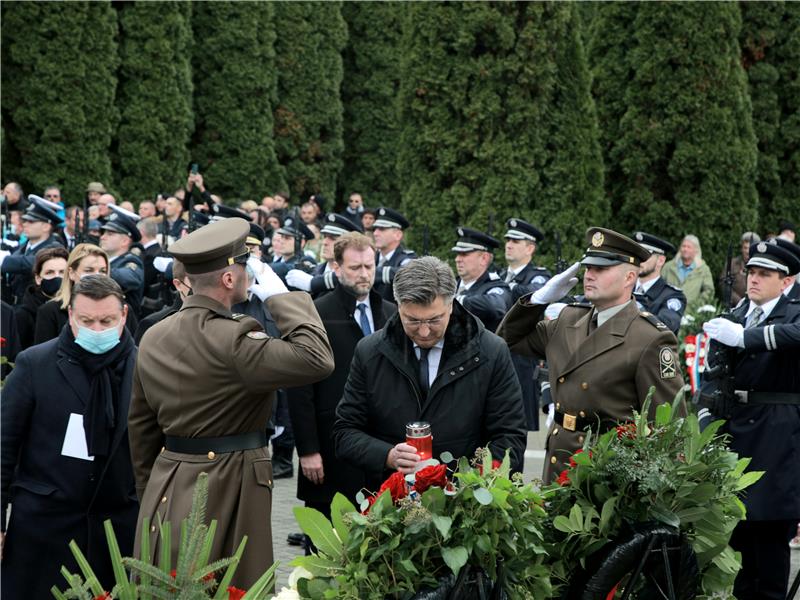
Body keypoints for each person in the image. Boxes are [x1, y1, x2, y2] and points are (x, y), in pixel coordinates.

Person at [128, 217, 334, 589]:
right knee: (236, 586)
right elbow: (317, 358)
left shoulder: (154, 335)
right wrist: (279, 297)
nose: (249, 276)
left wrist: (151, 493)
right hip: (232, 482)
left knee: (172, 586)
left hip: (167, 481)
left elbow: (141, 429)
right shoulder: (238, 336)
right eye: (244, 267)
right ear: (227, 279)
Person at [497, 228, 685, 483]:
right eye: (588, 268)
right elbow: (507, 340)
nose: (589, 275)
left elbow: (668, 426)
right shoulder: (568, 320)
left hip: (606, 475)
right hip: (558, 462)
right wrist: (538, 300)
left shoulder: (649, 337)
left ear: (630, 277)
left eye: (601, 269)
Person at [334, 256, 527, 491]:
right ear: (398, 305)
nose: (424, 332)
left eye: (435, 320)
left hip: (467, 506)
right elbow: (345, 432)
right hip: (391, 501)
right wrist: (388, 455)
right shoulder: (370, 352)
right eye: (412, 321)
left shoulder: (490, 352)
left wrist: (470, 488)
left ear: (451, 304)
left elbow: (509, 437)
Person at [2, 275, 139, 599]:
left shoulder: (145, 367)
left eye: (106, 321)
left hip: (116, 531)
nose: (96, 330)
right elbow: (4, 446)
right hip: (45, 529)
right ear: (70, 316)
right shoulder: (35, 364)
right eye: (86, 321)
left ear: (124, 315)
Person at [701, 240, 800, 600]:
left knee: (771, 540)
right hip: (737, 433)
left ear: (786, 282)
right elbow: (713, 376)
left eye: (765, 274)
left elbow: (795, 336)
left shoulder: (794, 312)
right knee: (740, 541)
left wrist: (746, 337)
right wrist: (705, 422)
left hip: (778, 437)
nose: (754, 279)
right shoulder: (738, 314)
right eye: (752, 272)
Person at [288, 233, 396, 532]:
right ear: (336, 268)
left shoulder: (390, 314)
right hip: (330, 446)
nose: (364, 274)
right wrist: (308, 450)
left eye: (369, 266)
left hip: (379, 450)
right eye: (355, 267)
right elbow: (299, 388)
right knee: (326, 540)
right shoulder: (316, 314)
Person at [499, 219, 552, 432]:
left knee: (517, 425)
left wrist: (508, 288)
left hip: (522, 359)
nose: (509, 244)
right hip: (501, 352)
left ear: (530, 248)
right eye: (508, 240)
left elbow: (537, 295)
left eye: (516, 240)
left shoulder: (537, 276)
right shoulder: (500, 276)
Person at [35, 244, 139, 345]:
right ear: (71, 273)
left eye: (103, 271)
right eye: (89, 270)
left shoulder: (122, 309)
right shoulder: (50, 311)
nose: (97, 275)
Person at [0, 196, 65, 304]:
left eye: (31, 221)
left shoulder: (55, 248)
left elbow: (33, 262)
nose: (25, 224)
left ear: (45, 226)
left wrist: (4, 260)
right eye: (25, 220)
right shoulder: (26, 246)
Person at [286, 213, 363, 297]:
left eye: (333, 238)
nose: (324, 242)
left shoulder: (357, 276)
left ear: (349, 245)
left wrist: (313, 283)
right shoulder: (313, 272)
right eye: (325, 237)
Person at [452, 227, 511, 333]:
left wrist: (456, 301)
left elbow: (495, 306)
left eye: (464, 254)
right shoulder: (451, 284)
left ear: (484, 258)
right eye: (457, 254)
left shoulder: (495, 286)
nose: (457, 259)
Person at [632, 232, 687, 335]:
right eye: (636, 254)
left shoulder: (672, 296)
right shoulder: (624, 287)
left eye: (645, 255)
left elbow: (666, 326)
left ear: (660, 261)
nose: (638, 260)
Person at [14, 246, 68, 350]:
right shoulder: (23, 315)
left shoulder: (77, 308)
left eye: (62, 272)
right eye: (49, 272)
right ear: (38, 278)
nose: (57, 277)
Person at [100, 205, 145, 317]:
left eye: (110, 234)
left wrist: (99, 270)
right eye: (104, 233)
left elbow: (129, 278)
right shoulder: (106, 260)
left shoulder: (131, 260)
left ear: (125, 241)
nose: (102, 237)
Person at [372, 207, 417, 302]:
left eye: (382, 229)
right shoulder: (371, 257)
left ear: (398, 235)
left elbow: (409, 273)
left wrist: (370, 273)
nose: (375, 233)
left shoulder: (405, 258)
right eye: (375, 228)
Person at [662, 234, 715, 313]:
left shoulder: (703, 269)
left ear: (696, 250)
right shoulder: (669, 267)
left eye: (689, 247)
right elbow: (659, 285)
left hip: (691, 314)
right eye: (683, 246)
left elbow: (709, 291)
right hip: (668, 310)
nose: (685, 249)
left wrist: (696, 305)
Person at [720, 232, 760, 307]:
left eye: (750, 248)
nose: (747, 251)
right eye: (745, 248)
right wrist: (740, 301)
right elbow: (724, 284)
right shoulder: (732, 264)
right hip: (734, 305)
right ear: (741, 248)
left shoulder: (761, 266)